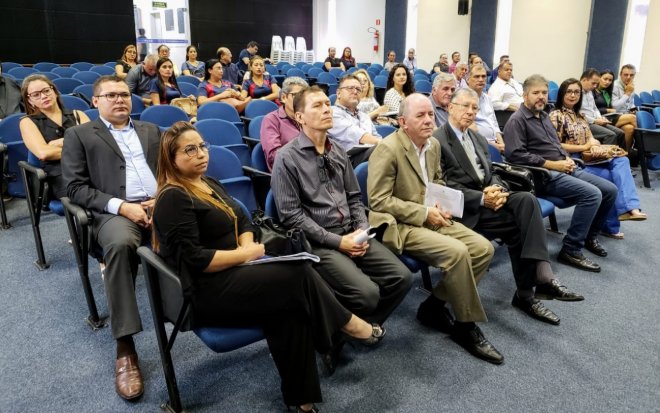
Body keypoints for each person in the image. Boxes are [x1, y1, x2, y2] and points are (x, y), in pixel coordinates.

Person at [152, 121, 384, 413]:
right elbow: (197, 262)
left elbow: (245, 220)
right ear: (171, 158)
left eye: (202, 146)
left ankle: (302, 402)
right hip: (207, 290)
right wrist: (249, 254)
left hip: (237, 271)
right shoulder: (173, 197)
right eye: (190, 149)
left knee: (290, 305)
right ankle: (347, 324)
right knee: (297, 274)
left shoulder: (208, 183)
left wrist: (246, 247)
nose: (201, 154)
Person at [367, 93, 501, 365]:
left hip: (431, 216)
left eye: (430, 114)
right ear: (403, 122)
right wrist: (425, 212)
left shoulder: (433, 146)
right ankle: (465, 326)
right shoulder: (388, 148)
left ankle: (434, 305)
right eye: (421, 115)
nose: (429, 120)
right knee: (459, 253)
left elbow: (436, 183)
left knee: (484, 249)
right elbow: (378, 201)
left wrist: (441, 206)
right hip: (401, 224)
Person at [436, 88, 583, 325]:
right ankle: (529, 292)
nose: (471, 112)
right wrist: (482, 197)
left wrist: (497, 189)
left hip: (489, 198)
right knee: (516, 230)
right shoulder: (438, 140)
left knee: (526, 199)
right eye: (465, 106)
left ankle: (540, 279)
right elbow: (441, 186)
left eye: (475, 108)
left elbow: (492, 171)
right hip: (465, 208)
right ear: (450, 107)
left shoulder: (476, 137)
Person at [271, 86, 412, 332]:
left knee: (402, 278)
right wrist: (339, 242)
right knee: (367, 294)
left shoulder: (337, 151)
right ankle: (342, 330)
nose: (327, 109)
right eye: (317, 105)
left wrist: (363, 229)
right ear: (300, 117)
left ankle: (355, 329)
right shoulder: (287, 158)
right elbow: (291, 216)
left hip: (352, 231)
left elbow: (355, 197)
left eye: (327, 103)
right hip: (319, 241)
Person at [62, 75, 162, 400]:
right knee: (119, 245)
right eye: (111, 95)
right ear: (96, 101)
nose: (120, 100)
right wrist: (124, 207)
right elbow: (75, 188)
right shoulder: (79, 135)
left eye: (124, 94)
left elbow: (169, 170)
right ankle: (126, 348)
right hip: (115, 212)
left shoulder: (150, 130)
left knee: (214, 219)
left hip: (161, 204)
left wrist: (164, 198)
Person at [503, 74, 617, 273]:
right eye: (535, 93)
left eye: (544, 93)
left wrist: (566, 158)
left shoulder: (545, 116)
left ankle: (589, 236)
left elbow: (555, 145)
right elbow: (515, 155)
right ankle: (571, 249)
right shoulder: (517, 120)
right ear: (525, 95)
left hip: (564, 167)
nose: (541, 97)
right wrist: (553, 165)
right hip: (542, 175)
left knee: (610, 190)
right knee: (592, 194)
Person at [549, 78, 647, 239]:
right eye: (569, 92)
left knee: (622, 160)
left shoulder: (580, 116)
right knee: (611, 178)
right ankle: (611, 225)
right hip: (572, 161)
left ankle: (630, 208)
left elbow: (591, 137)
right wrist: (585, 147)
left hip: (589, 157)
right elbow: (556, 145)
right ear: (562, 94)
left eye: (577, 92)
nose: (573, 95)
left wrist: (593, 144)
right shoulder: (556, 115)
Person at [19, 74, 90, 199]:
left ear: (54, 91)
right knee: (92, 194)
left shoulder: (78, 114)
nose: (43, 96)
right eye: (36, 94)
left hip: (91, 166)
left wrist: (56, 144)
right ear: (29, 100)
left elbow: (93, 143)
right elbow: (44, 153)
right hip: (60, 174)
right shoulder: (27, 122)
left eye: (46, 90)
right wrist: (79, 146)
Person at [328, 75, 382, 166]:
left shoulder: (364, 116)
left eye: (358, 89)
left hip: (369, 156)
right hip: (345, 162)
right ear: (338, 93)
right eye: (350, 88)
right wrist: (385, 145)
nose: (355, 91)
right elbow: (356, 134)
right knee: (384, 150)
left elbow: (377, 136)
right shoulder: (332, 113)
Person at [260, 76, 308, 171]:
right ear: (284, 97)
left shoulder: (308, 118)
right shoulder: (271, 120)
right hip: (287, 174)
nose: (301, 100)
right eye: (297, 95)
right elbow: (274, 156)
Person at [579, 68, 625, 148]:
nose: (595, 86)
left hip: (595, 120)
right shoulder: (576, 92)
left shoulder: (589, 92)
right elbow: (578, 113)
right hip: (585, 123)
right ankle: (606, 158)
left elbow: (595, 108)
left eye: (596, 84)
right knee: (610, 135)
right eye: (593, 83)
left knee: (620, 132)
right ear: (584, 80)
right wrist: (595, 121)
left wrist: (600, 118)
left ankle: (620, 157)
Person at [595, 69, 637, 151]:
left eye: (610, 80)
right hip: (602, 118)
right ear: (599, 78)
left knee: (629, 128)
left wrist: (632, 109)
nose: (607, 82)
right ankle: (641, 144)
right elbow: (614, 107)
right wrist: (608, 110)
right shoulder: (594, 91)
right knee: (632, 118)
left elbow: (630, 103)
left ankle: (625, 155)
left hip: (612, 116)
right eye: (605, 79)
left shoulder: (606, 91)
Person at [466, 65, 504, 152]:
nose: (481, 79)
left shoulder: (487, 98)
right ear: (468, 79)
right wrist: (493, 146)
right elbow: (469, 132)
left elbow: (494, 123)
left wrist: (501, 143)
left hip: (495, 144)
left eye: (483, 76)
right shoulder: (463, 99)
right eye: (476, 76)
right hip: (477, 147)